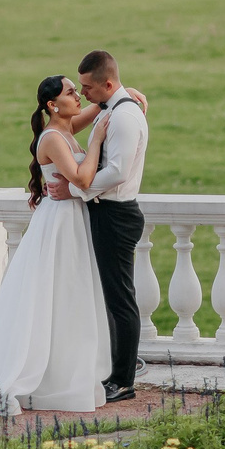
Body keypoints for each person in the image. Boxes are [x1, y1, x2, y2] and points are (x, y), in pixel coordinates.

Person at [0, 75, 114, 416]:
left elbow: (101, 106)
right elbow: (83, 178)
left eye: (77, 90)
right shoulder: (54, 138)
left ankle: (62, 376)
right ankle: (29, 376)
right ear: (52, 105)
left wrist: (126, 93)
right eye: (71, 91)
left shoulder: (67, 125)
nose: (78, 95)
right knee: (50, 294)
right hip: (59, 224)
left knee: (68, 296)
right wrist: (98, 142)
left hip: (70, 219)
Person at [68, 49, 149, 402]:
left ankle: (124, 380)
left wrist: (76, 187)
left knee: (121, 300)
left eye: (87, 87)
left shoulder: (125, 117)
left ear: (108, 84)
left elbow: (118, 171)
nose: (84, 94)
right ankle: (119, 368)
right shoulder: (111, 109)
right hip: (106, 213)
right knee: (113, 297)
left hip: (117, 215)